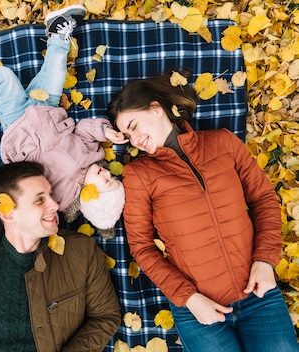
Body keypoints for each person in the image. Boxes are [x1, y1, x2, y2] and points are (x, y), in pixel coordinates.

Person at [106, 72, 299, 352]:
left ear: (156, 109)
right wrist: (189, 298)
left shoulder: (223, 142)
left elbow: (264, 198)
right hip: (198, 308)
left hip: (259, 295)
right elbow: (142, 247)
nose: (134, 140)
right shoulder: (139, 174)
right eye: (127, 135)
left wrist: (266, 260)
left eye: (134, 126)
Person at [0, 4, 127, 226]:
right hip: (47, 110)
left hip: (19, 128)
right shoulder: (92, 154)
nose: (107, 174)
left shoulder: (59, 199)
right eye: (112, 177)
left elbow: (27, 190)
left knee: (4, 78)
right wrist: (105, 131)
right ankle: (58, 31)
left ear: (91, 196)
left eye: (107, 182)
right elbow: (82, 131)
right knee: (56, 70)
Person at [0, 161, 121, 352]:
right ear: (7, 213)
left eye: (51, 195)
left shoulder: (81, 251)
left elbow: (106, 316)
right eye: (39, 200)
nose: (55, 204)